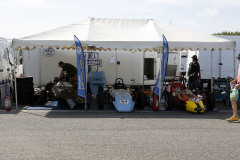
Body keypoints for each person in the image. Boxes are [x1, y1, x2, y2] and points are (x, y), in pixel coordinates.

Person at [226, 54, 240, 122]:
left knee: (233, 99)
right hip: (238, 85)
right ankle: (235, 116)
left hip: (239, 85)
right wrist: (235, 80)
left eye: (239, 58)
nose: (238, 60)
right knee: (233, 99)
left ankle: (235, 116)